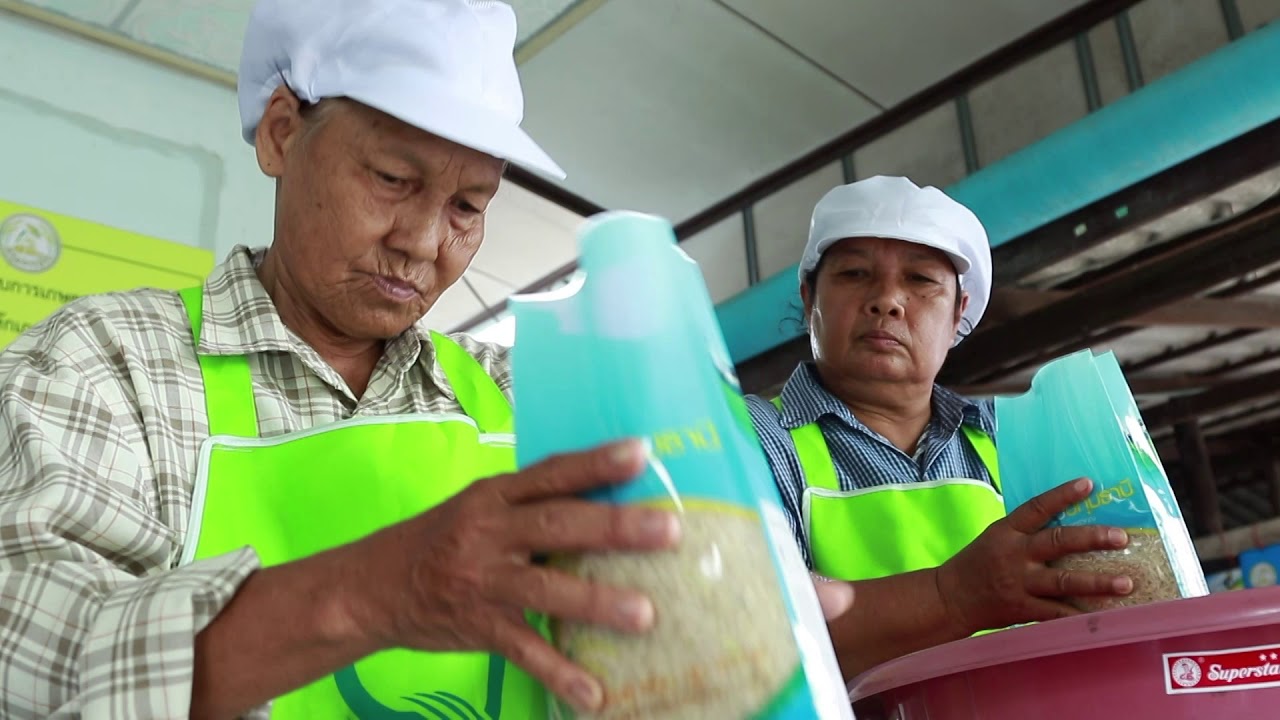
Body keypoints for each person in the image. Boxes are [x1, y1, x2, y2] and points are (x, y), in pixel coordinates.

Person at [0, 2, 854, 719]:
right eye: (392, 179)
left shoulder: (523, 395)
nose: (422, 245)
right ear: (280, 133)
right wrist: (377, 593)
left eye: (468, 206)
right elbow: (32, 653)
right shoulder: (107, 362)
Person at [746, 176, 1135, 677]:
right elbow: (748, 631)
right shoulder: (751, 438)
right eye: (855, 274)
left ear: (958, 314)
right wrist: (955, 598)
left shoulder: (1013, 435)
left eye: (921, 280)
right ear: (808, 298)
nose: (887, 300)